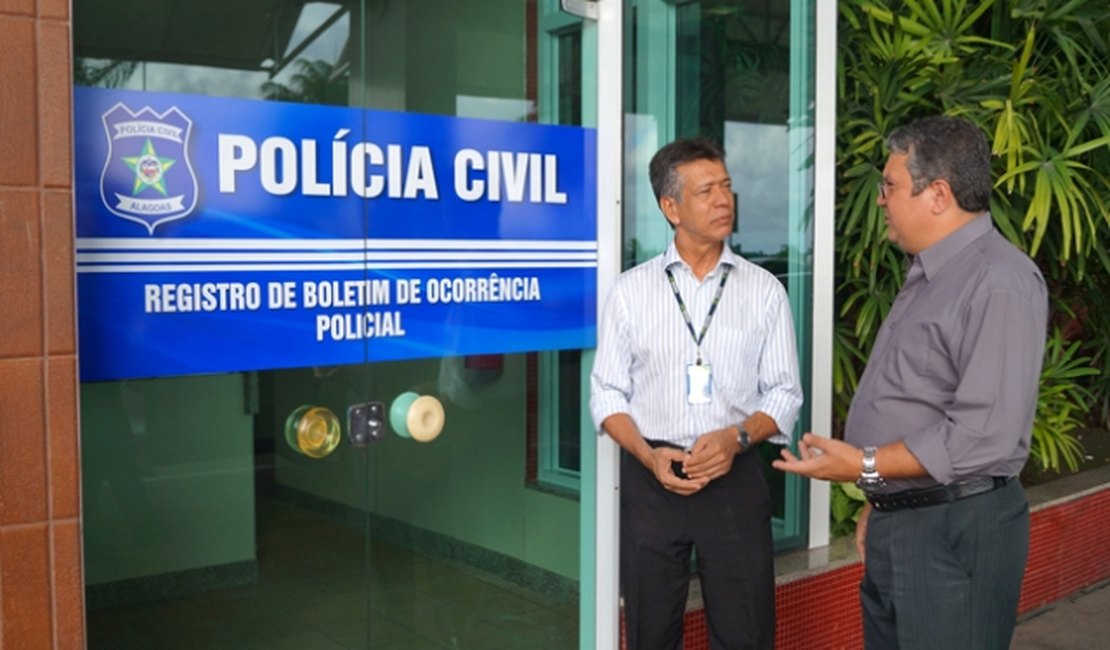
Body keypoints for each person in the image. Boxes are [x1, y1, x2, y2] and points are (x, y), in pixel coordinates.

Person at [773, 115, 1048, 649]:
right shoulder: (929, 274)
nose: (880, 200)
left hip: (953, 531)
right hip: (908, 520)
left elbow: (979, 434)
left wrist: (863, 466)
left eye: (891, 186)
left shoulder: (999, 282)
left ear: (938, 194)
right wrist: (883, 502)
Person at [590, 137, 803, 649]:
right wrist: (646, 454)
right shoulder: (631, 291)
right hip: (653, 478)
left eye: (726, 187)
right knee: (650, 631)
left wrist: (736, 438)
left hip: (734, 476)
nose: (723, 199)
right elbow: (607, 394)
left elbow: (784, 393)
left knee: (745, 632)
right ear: (671, 207)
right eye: (706, 190)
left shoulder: (764, 290)